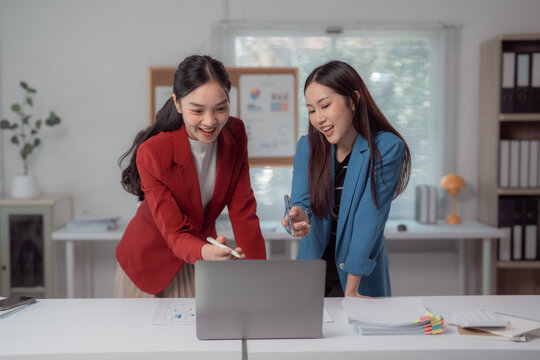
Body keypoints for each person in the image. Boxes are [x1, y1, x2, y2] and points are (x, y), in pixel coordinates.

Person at [116, 55, 266, 298]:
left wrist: (259, 275)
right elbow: (174, 233)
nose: (210, 121)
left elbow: (244, 212)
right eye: (197, 110)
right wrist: (207, 252)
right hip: (148, 265)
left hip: (201, 258)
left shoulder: (236, 134)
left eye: (221, 108)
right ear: (177, 104)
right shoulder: (153, 153)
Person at [282, 60, 410, 298]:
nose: (319, 118)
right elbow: (303, 203)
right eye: (311, 110)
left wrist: (351, 290)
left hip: (358, 276)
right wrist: (298, 216)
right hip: (311, 275)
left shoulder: (387, 148)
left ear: (353, 100)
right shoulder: (307, 147)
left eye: (325, 106)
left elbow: (369, 219)